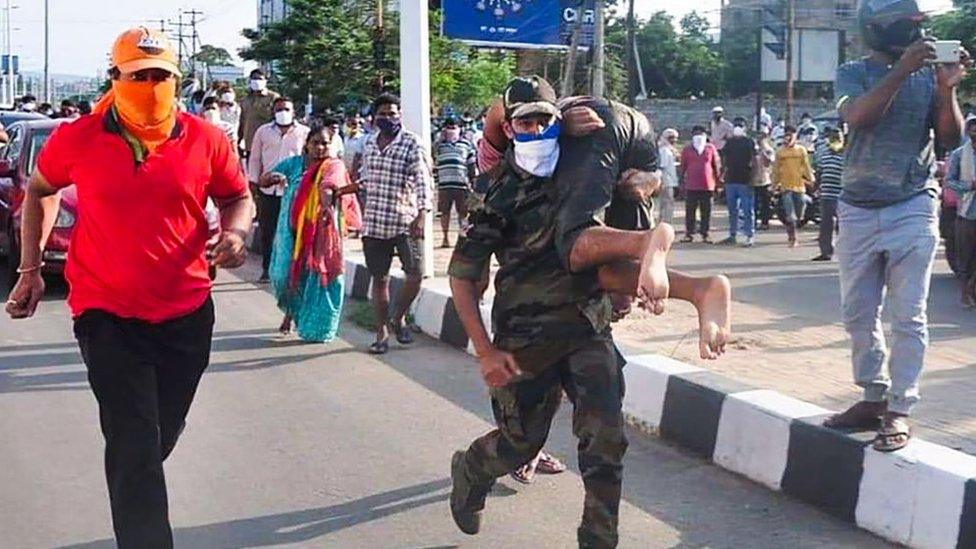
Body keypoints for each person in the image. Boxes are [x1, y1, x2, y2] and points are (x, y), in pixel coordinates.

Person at [4, 27, 252, 547]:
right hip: (106, 312)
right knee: (136, 443)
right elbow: (42, 191)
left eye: (162, 76)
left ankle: (131, 462)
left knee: (157, 434)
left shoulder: (206, 138)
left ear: (178, 82)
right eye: (139, 76)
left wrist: (235, 230)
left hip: (186, 311)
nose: (151, 85)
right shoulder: (80, 137)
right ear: (115, 78)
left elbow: (237, 196)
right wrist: (30, 270)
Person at [448, 78, 672, 549]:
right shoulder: (495, 191)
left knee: (606, 442)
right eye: (523, 121)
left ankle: (598, 540)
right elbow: (463, 277)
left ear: (559, 121)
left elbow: (642, 175)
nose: (534, 129)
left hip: (587, 325)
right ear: (509, 129)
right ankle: (472, 468)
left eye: (543, 119)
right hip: (524, 336)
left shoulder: (584, 165)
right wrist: (485, 352)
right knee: (520, 444)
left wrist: (642, 186)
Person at [824, 0, 966, 452]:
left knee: (909, 316)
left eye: (917, 26)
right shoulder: (852, 72)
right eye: (905, 25)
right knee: (858, 314)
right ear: (876, 29)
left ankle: (900, 408)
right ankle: (873, 396)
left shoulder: (929, 77)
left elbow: (948, 140)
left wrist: (947, 90)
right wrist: (902, 70)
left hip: (912, 204)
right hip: (857, 207)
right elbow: (858, 117)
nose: (911, 32)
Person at [357, 93, 433, 354]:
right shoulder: (368, 143)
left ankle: (399, 315)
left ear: (400, 114)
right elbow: (365, 178)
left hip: (405, 222)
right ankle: (381, 333)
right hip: (374, 223)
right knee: (380, 279)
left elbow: (423, 179)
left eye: (393, 113)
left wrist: (422, 214)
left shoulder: (412, 143)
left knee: (415, 273)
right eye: (383, 114)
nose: (388, 118)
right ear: (374, 118)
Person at [268, 125, 359, 340]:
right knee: (283, 276)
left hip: (322, 228)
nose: (320, 147)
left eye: (325, 143)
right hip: (289, 230)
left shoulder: (334, 166)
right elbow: (264, 178)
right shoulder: (294, 164)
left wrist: (326, 206)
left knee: (318, 275)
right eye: (316, 142)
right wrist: (274, 178)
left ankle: (317, 328)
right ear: (307, 144)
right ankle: (292, 310)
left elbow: (328, 186)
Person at [248, 97, 311, 282]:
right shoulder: (263, 132)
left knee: (292, 230)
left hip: (293, 191)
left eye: (286, 109)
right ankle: (267, 268)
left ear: (293, 112)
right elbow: (255, 158)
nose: (282, 112)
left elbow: (306, 160)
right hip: (268, 190)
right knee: (268, 231)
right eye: (279, 109)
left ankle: (291, 270)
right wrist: (255, 181)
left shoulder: (304, 133)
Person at [944, 116, 976, 307]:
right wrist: (969, 185)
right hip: (967, 213)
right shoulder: (958, 155)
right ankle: (965, 293)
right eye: (972, 129)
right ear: (967, 132)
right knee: (965, 257)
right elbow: (949, 181)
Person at [434, 117, 477, 248]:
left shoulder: (466, 144)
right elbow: (433, 155)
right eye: (448, 127)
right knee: (444, 212)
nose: (451, 130)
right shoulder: (439, 145)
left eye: (454, 127)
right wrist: (440, 138)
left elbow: (471, 164)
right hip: (444, 185)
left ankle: (462, 238)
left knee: (463, 213)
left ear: (460, 129)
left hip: (461, 184)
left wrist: (473, 181)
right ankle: (445, 238)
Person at [772, 125, 814, 248]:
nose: (788, 138)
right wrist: (774, 185)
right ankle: (793, 237)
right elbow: (776, 170)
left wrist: (811, 179)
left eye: (791, 135)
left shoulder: (801, 150)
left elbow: (806, 166)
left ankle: (795, 226)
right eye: (786, 135)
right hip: (786, 187)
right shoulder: (780, 152)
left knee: (800, 211)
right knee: (790, 215)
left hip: (799, 186)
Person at [680, 125, 721, 243]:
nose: (698, 136)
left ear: (705, 136)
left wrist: (718, 183)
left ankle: (705, 233)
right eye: (696, 134)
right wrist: (681, 183)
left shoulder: (710, 148)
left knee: (706, 211)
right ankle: (689, 233)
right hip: (691, 184)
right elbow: (683, 167)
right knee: (690, 211)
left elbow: (716, 166)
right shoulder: (687, 149)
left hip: (707, 185)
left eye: (701, 134)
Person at [720, 117, 756, 247]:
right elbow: (724, 159)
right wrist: (722, 174)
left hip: (745, 180)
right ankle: (732, 234)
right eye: (736, 125)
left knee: (747, 209)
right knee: (732, 209)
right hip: (731, 180)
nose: (738, 127)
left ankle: (749, 235)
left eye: (740, 125)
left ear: (745, 127)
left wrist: (753, 178)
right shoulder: (729, 142)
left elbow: (754, 160)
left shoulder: (749, 142)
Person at [812, 127, 845, 261]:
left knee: (842, 225)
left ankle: (844, 252)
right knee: (826, 224)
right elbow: (819, 173)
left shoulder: (846, 155)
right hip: (826, 194)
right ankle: (826, 252)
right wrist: (816, 188)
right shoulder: (824, 155)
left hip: (842, 195)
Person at [239, 68, 280, 158]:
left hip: (268, 143)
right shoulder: (245, 100)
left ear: (265, 81)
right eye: (254, 79)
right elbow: (242, 122)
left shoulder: (273, 97)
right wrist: (239, 141)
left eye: (260, 79)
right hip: (250, 143)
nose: (256, 81)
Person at [753, 128, 776, 231]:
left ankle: (765, 222)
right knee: (753, 203)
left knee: (765, 203)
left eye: (762, 137)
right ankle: (753, 222)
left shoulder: (768, 150)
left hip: (765, 180)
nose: (759, 139)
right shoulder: (754, 149)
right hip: (753, 179)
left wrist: (763, 152)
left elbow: (770, 163)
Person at [656, 128, 679, 225]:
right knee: (667, 204)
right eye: (671, 138)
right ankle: (665, 224)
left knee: (667, 204)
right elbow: (662, 166)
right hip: (666, 181)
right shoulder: (664, 150)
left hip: (670, 180)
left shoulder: (668, 149)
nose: (674, 140)